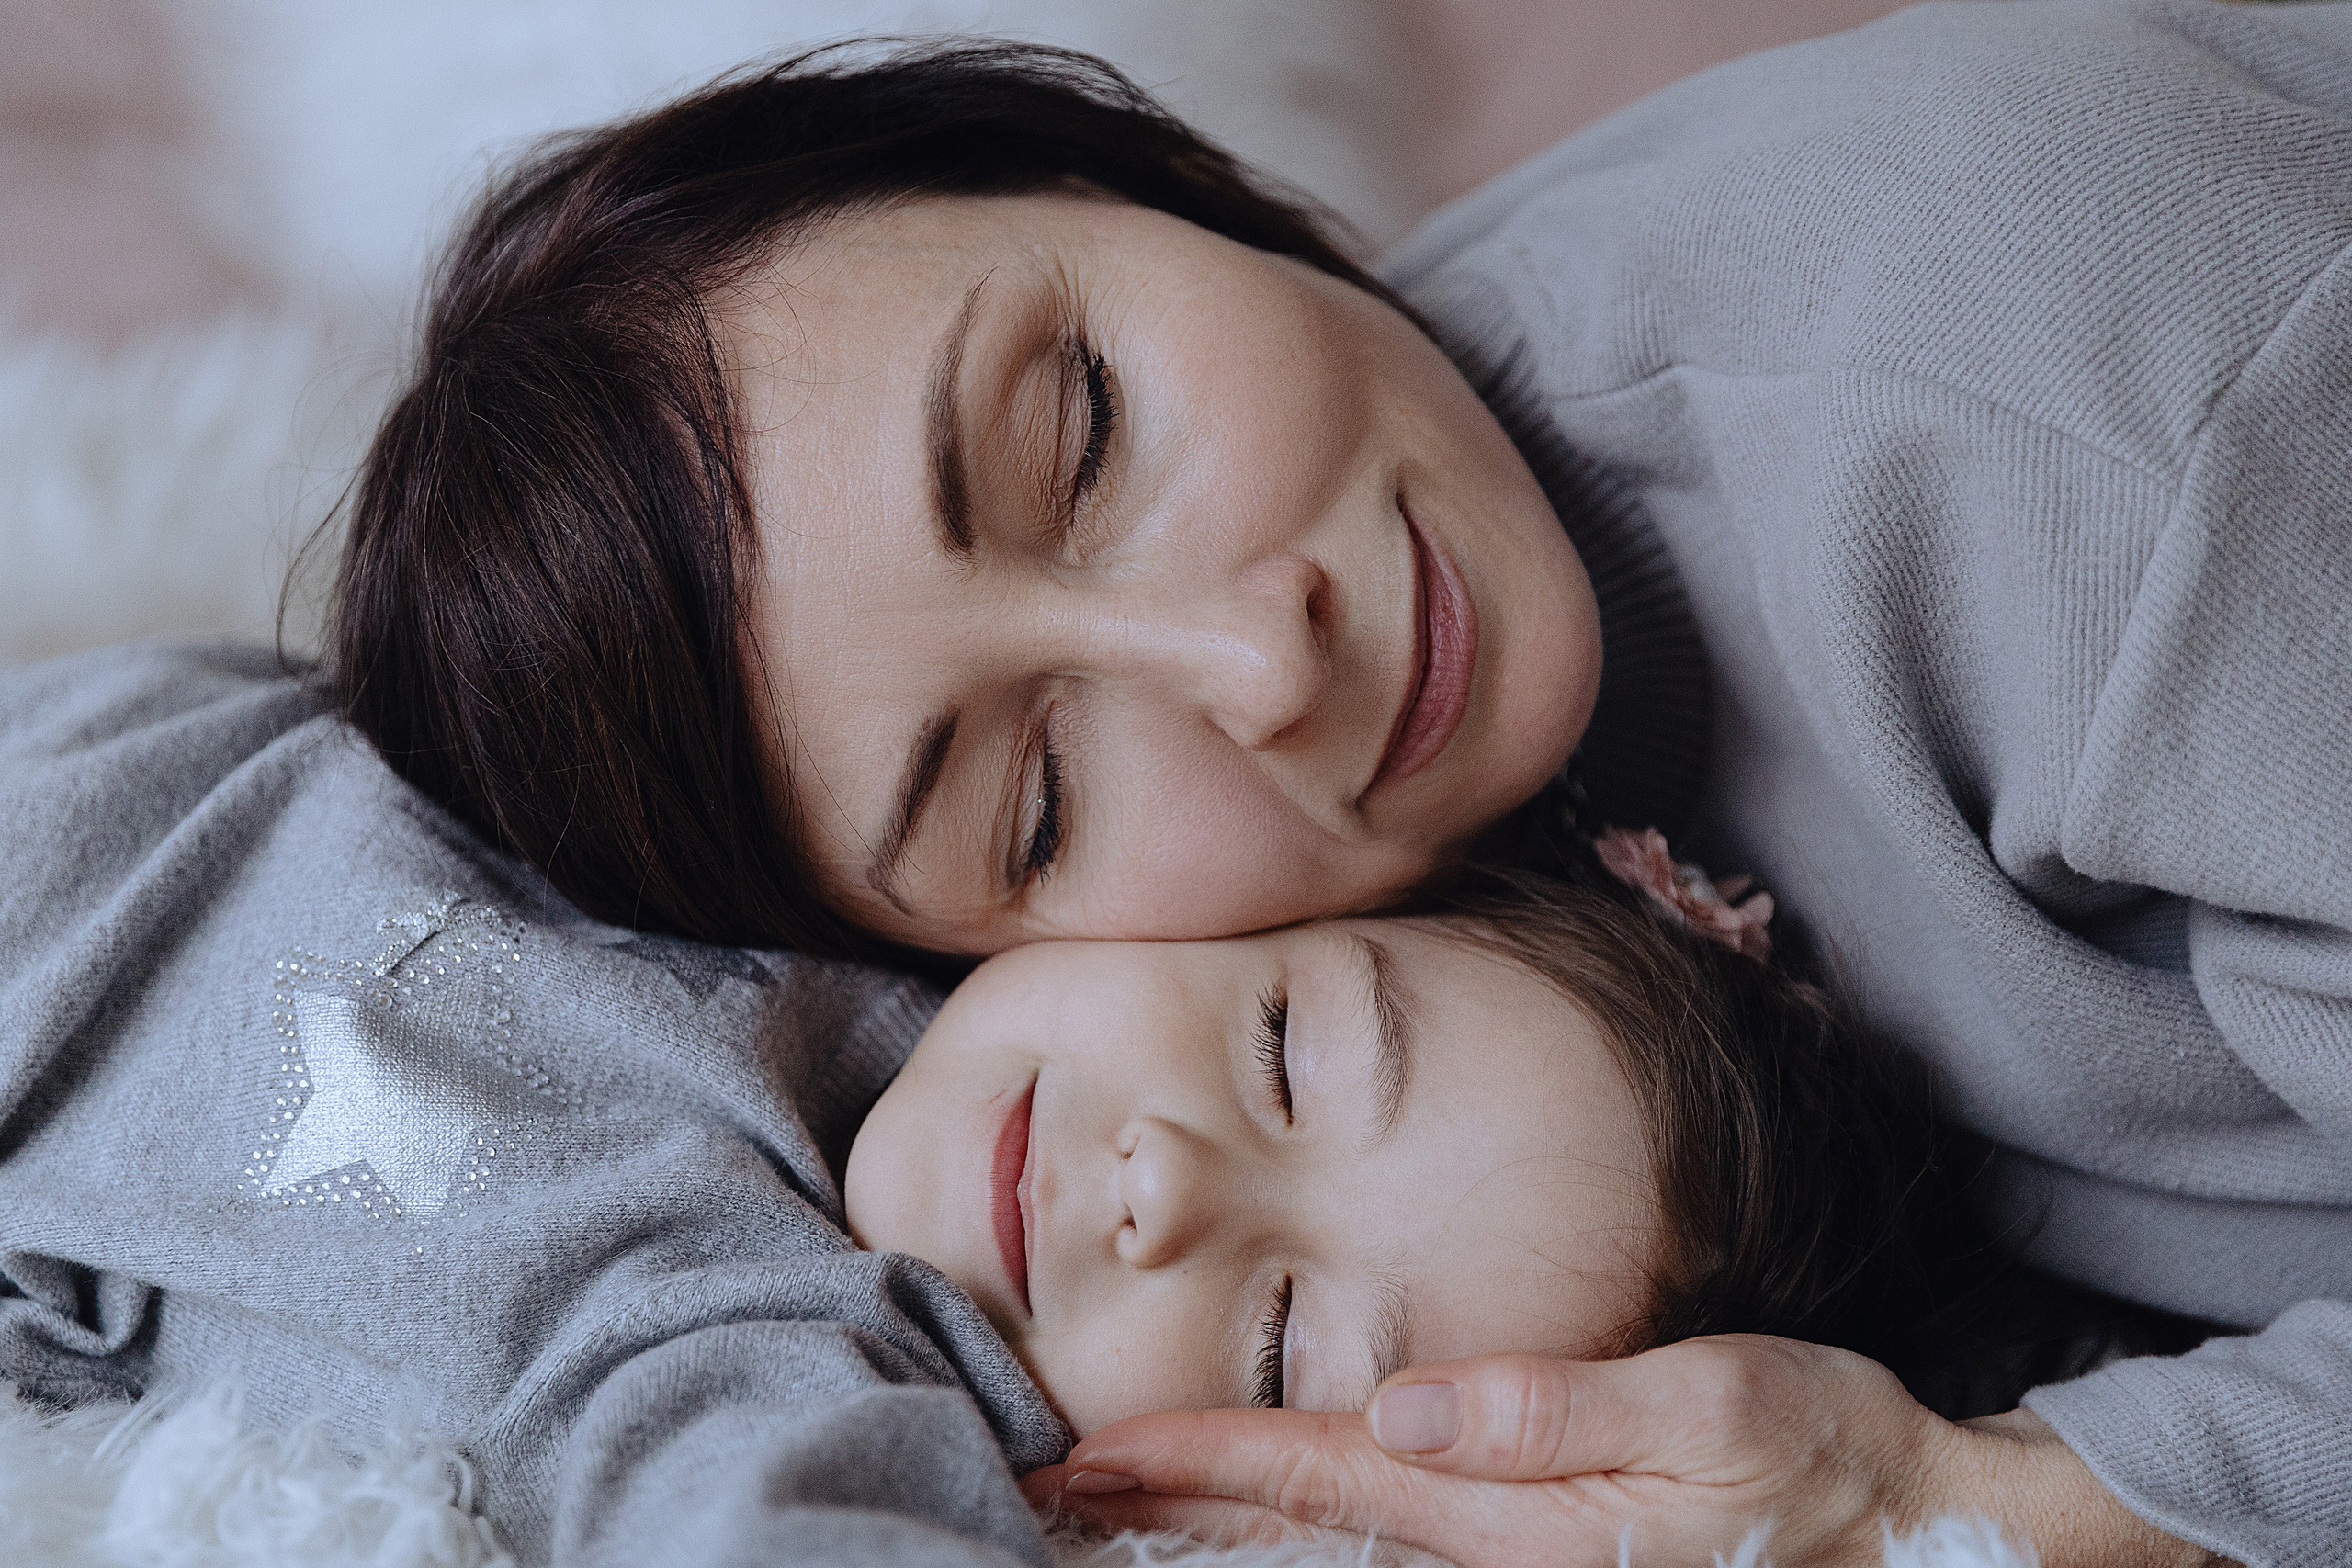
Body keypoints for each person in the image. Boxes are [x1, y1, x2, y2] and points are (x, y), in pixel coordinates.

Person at [324, 2, 2352, 1562]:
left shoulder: (2099, 434)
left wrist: (1986, 1498)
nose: (1256, 654)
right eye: (1032, 804)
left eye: (1090, 427)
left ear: (1128, 178)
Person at [0, 642, 1967, 1566]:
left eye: (1283, 1336)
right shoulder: (849, 821)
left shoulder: (789, 1322)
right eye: (1281, 1043)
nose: (1159, 1180)